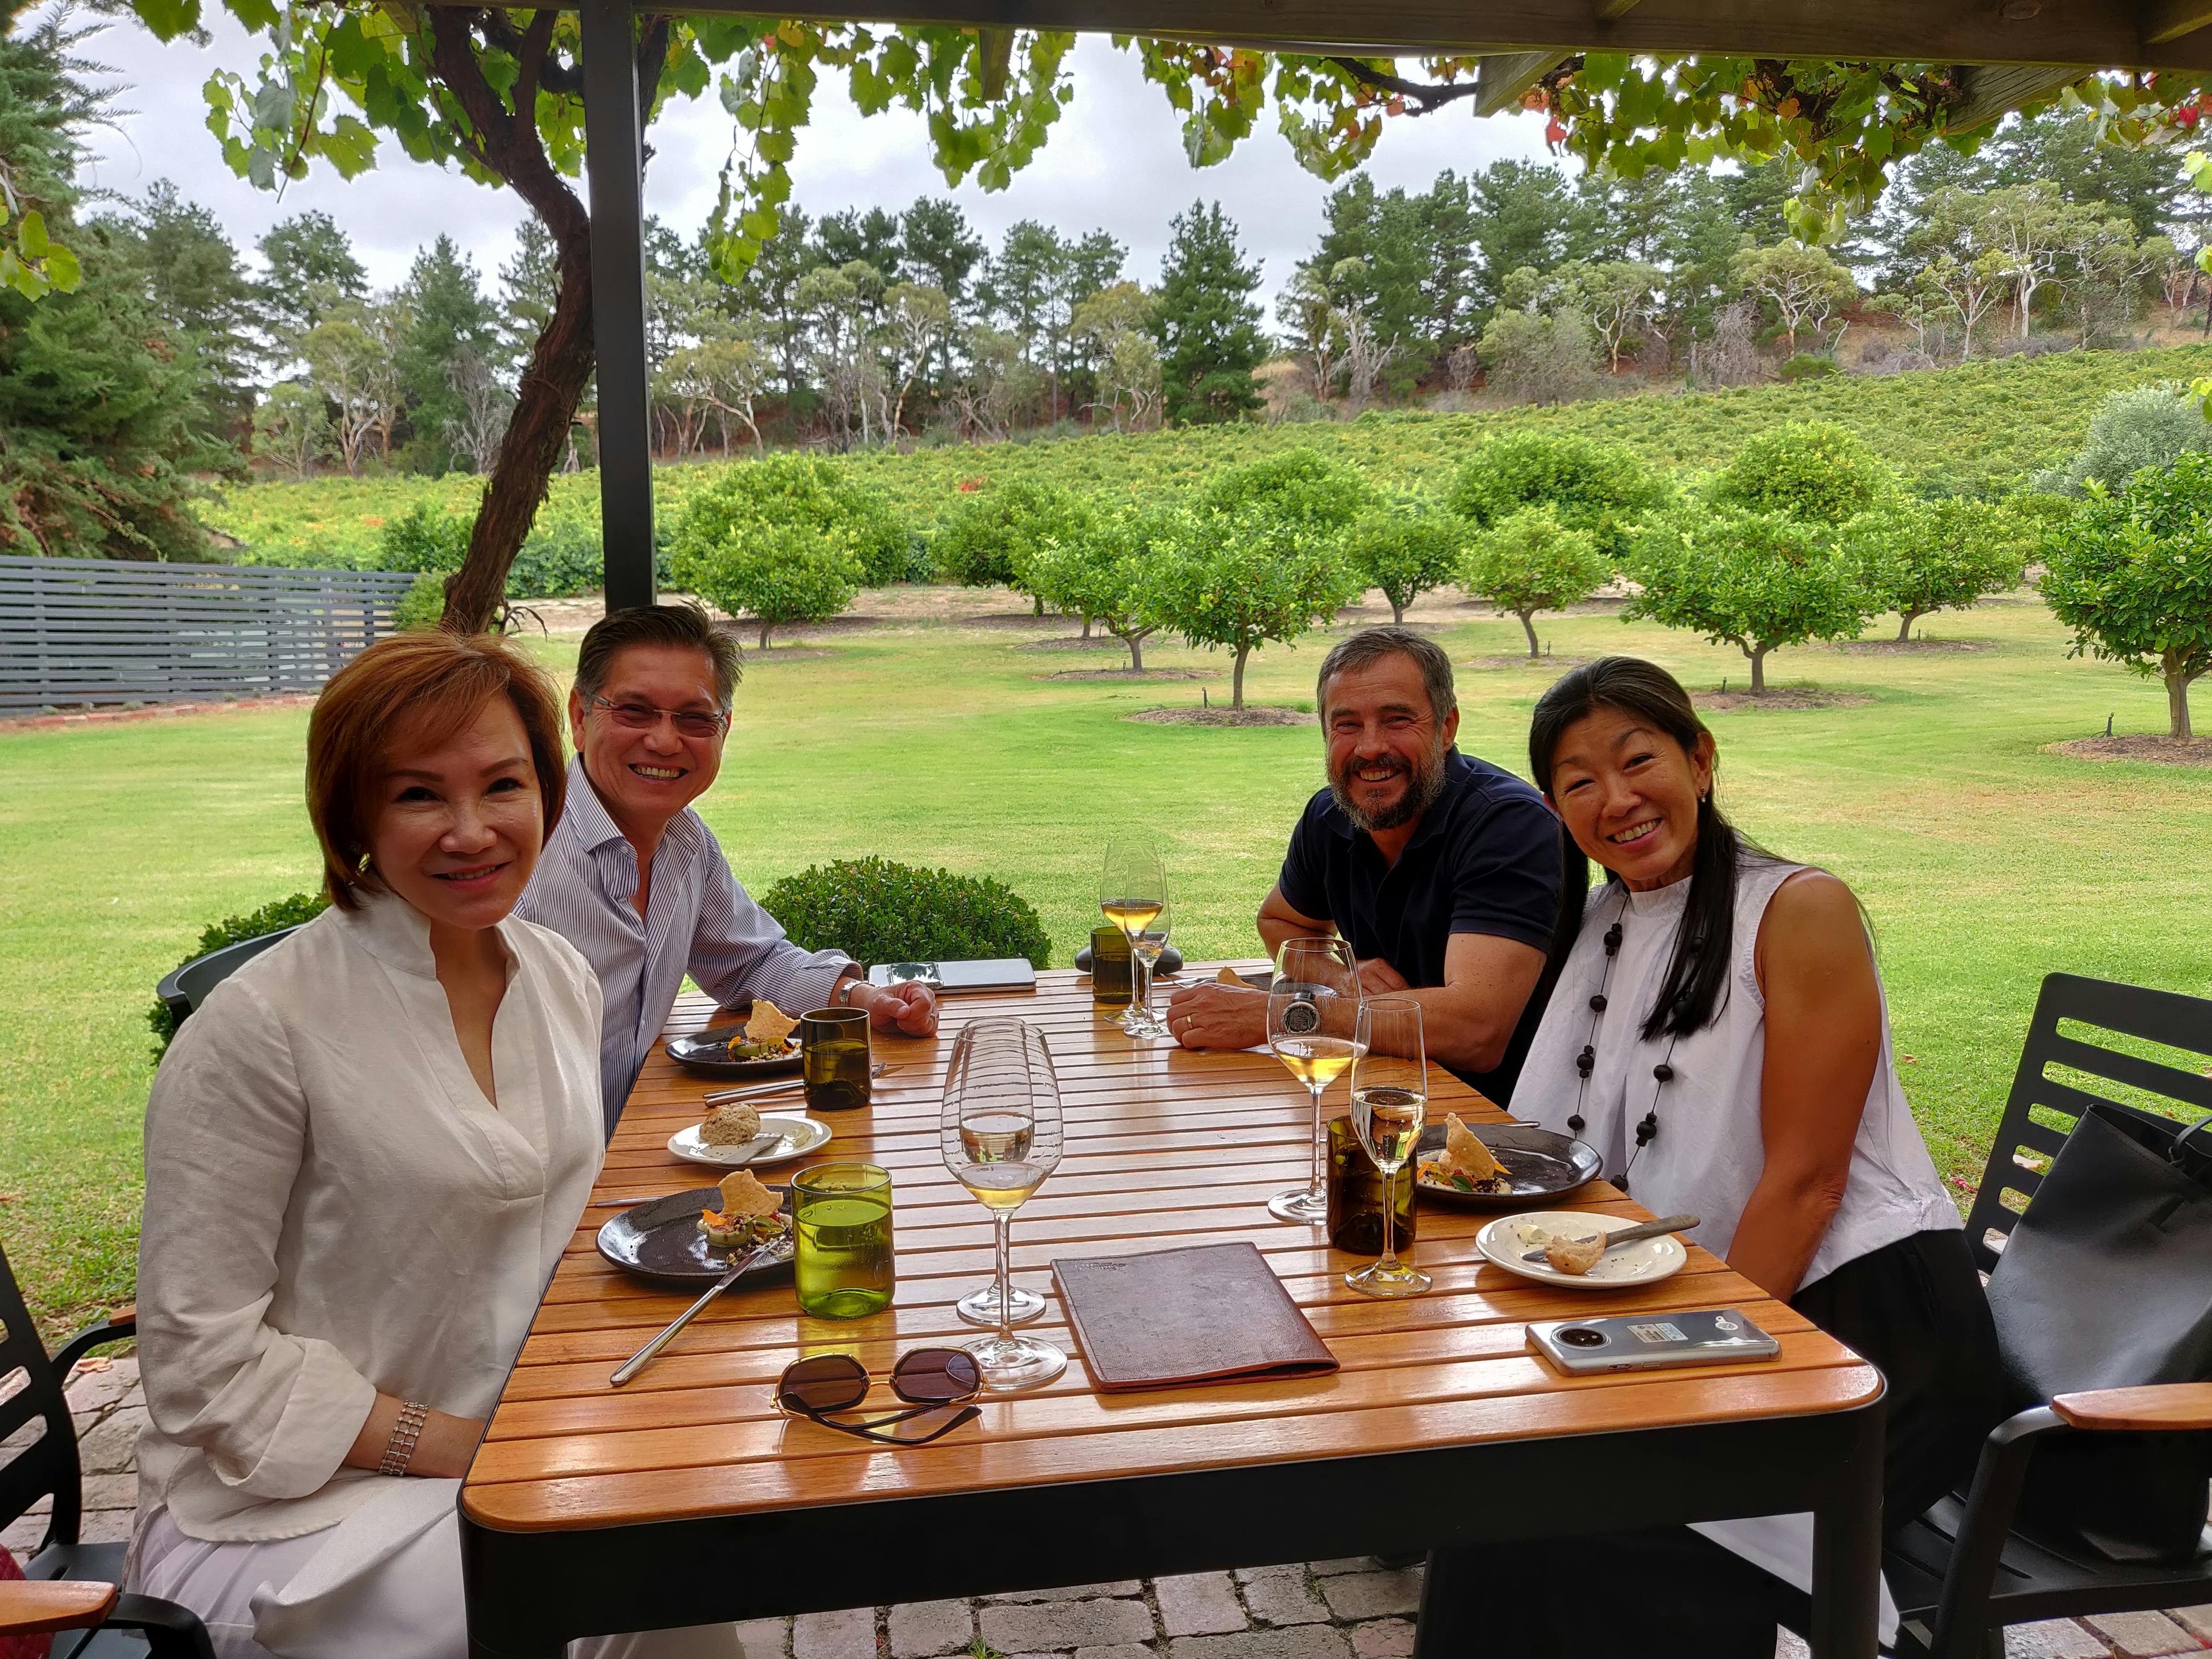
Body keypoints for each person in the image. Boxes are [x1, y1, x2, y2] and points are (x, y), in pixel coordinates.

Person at [127, 632, 739, 1659]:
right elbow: (195, 1360)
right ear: (353, 813)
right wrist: (454, 1445)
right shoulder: (260, 1028)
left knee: (677, 1551)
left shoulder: (553, 975)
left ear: (547, 788)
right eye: (418, 795)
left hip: (510, 1455)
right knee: (616, 1583)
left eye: (503, 785)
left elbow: (551, 1241)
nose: (471, 832)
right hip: (282, 1510)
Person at [1418, 655, 2006, 1656]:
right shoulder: (1609, 918)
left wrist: (1690, 1367)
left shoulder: (1798, 909)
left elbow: (1811, 1180)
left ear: (1701, 758)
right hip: (1693, 1295)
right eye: (1578, 782)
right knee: (1493, 1496)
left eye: (1638, 759)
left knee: (1616, 1531)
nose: (1617, 799)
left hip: (1863, 1326)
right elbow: (1569, 1145)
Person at [517, 602, 935, 1134]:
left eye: (693, 718)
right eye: (635, 711)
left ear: (724, 729)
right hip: (539, 1183)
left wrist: (862, 1000)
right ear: (580, 717)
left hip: (639, 1145)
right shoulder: (521, 856)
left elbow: (750, 965)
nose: (665, 741)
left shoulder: (686, 844)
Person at [1163, 626, 1563, 1101]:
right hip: (1374, 1091)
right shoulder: (1332, 814)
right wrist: (1339, 976)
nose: (1370, 747)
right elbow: (1279, 920)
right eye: (1347, 724)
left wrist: (1281, 1015)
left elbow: (1477, 1031)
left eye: (1397, 720)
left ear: (1447, 727)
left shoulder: (1508, 824)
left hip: (1491, 1125)